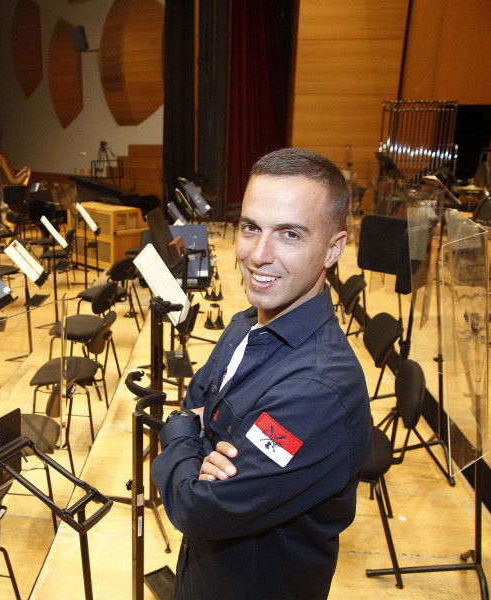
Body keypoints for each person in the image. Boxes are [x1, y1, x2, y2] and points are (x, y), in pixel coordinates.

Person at [151, 148, 373, 599]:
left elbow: (199, 508)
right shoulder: (244, 324)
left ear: (334, 248)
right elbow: (196, 398)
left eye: (289, 234)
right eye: (251, 228)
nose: (259, 255)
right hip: (202, 574)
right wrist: (196, 444)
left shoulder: (318, 391)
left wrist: (178, 434)